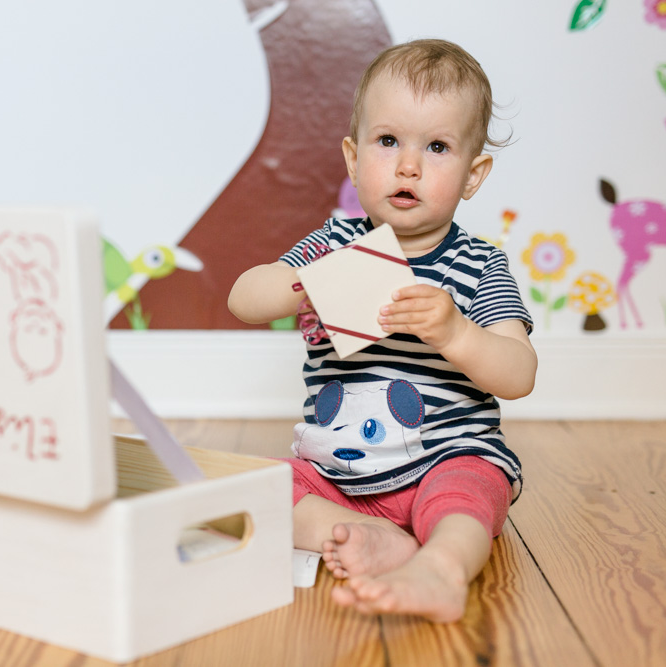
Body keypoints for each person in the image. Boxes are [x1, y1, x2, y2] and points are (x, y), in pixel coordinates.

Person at [228, 39, 537, 623]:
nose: (408, 165)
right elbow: (243, 298)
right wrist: (309, 282)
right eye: (388, 141)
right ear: (352, 158)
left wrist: (455, 333)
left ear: (473, 177)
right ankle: (371, 535)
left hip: (445, 458)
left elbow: (519, 373)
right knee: (262, 490)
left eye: (437, 147)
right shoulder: (331, 247)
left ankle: (442, 567)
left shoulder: (479, 264)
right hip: (335, 475)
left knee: (469, 494)